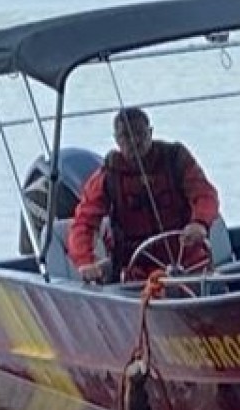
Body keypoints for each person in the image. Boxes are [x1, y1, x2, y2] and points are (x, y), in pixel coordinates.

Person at [66, 107, 221, 283]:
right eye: (125, 136)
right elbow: (84, 222)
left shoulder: (176, 160)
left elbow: (205, 194)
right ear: (116, 140)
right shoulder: (108, 176)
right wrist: (85, 261)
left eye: (140, 133)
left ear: (150, 132)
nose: (134, 141)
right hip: (137, 272)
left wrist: (199, 223)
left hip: (189, 263)